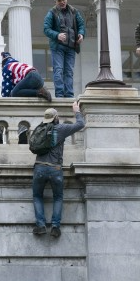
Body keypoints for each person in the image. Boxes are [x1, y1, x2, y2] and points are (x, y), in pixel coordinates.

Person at [31, 102, 85, 238]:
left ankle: (41, 225)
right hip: (55, 168)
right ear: (56, 118)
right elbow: (80, 125)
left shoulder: (40, 129)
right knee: (58, 197)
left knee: (37, 196)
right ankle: (55, 227)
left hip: (39, 167)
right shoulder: (60, 128)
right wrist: (77, 111)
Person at [43, 0, 85, 99]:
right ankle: (60, 95)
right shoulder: (51, 13)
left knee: (69, 72)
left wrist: (81, 34)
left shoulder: (74, 11)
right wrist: (57, 35)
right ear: (55, 1)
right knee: (58, 70)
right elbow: (46, 29)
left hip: (71, 46)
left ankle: (70, 95)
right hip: (58, 47)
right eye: (59, 0)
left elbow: (81, 25)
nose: (62, 2)